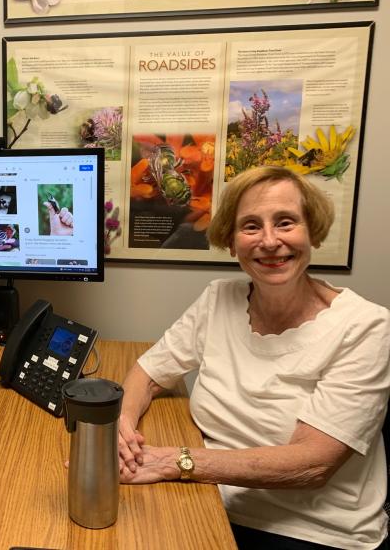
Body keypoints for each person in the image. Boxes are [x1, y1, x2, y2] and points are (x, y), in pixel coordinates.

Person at [117, 166, 390, 550]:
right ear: (231, 241)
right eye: (250, 226)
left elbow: (313, 464)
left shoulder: (365, 326)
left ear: (312, 231)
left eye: (285, 222)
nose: (269, 240)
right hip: (208, 499)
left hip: (313, 530)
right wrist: (124, 426)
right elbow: (148, 372)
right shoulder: (218, 298)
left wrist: (174, 462)